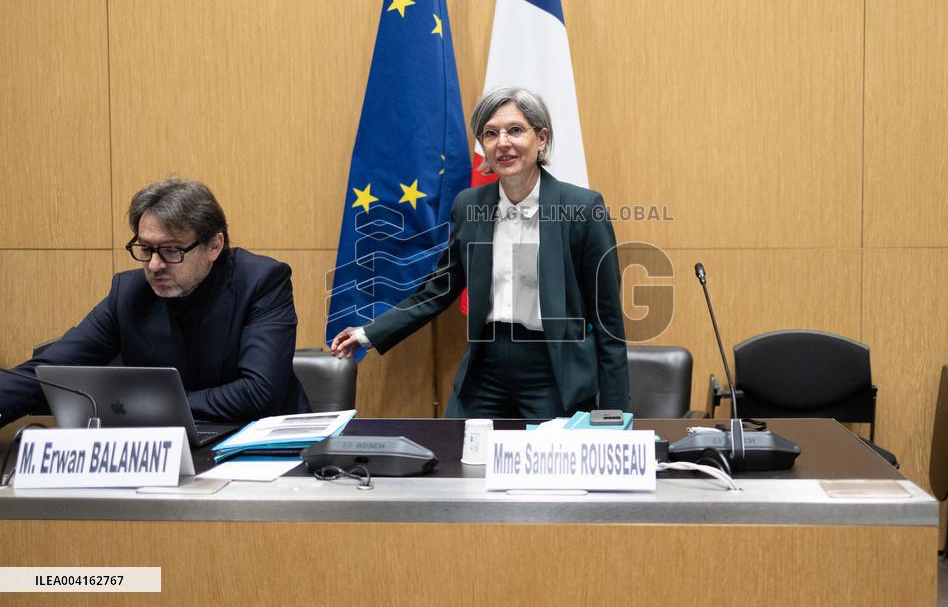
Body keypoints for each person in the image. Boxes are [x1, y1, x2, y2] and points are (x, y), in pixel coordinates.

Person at [332, 86, 628, 417]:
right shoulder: (469, 206)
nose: (503, 142)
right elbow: (438, 290)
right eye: (490, 133)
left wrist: (615, 417)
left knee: (548, 465)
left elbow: (609, 322)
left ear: (541, 139)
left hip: (553, 372)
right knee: (458, 458)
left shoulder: (583, 208)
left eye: (515, 130)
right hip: (485, 371)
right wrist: (369, 334)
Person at [0, 177, 311, 424]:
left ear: (214, 246)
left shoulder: (261, 281)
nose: (154, 265)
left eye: (172, 250)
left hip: (263, 448)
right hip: (173, 451)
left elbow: (259, 392)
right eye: (146, 249)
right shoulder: (129, 294)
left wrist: (152, 406)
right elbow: (48, 370)